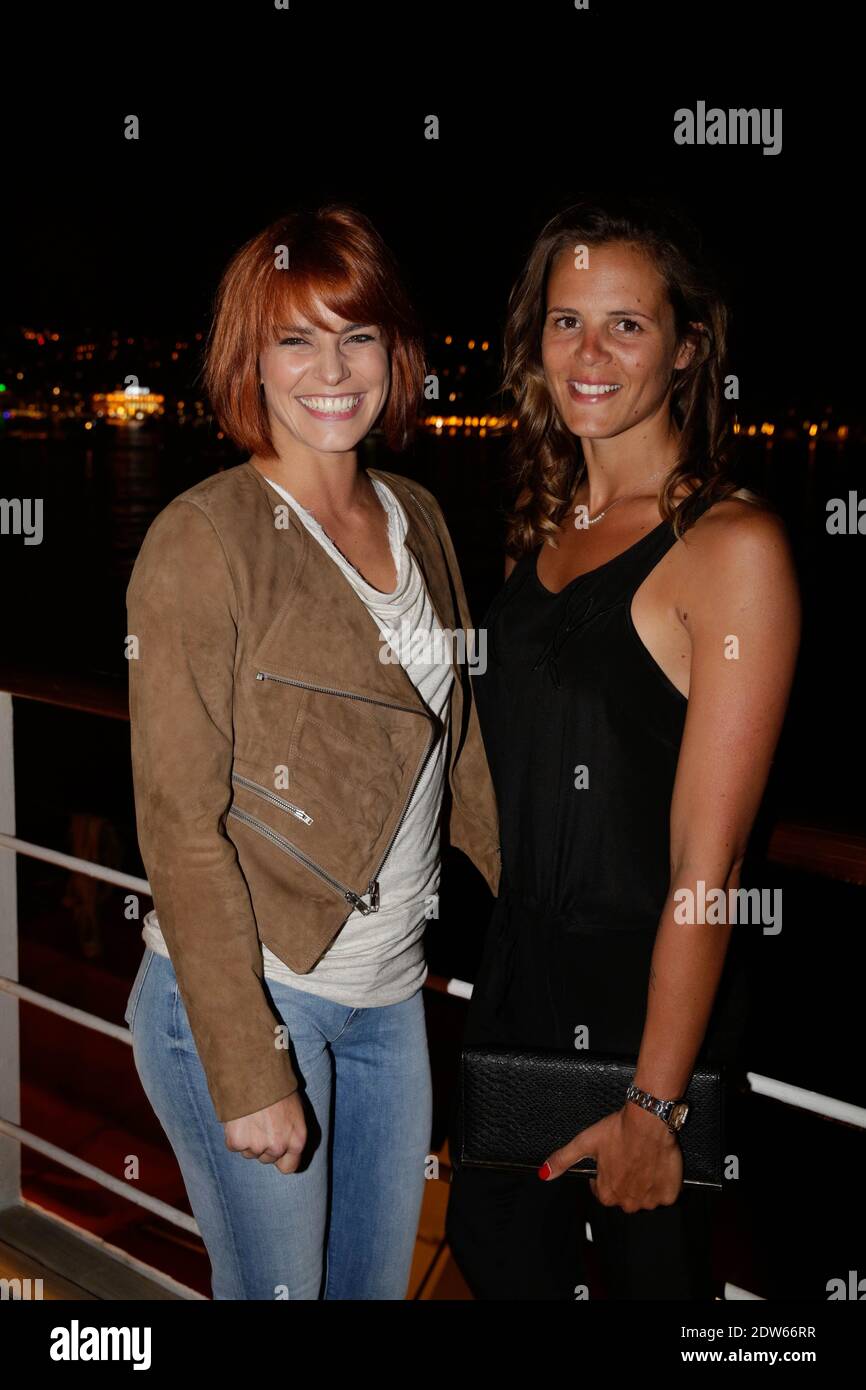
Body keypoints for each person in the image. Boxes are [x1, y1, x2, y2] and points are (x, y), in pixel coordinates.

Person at [123, 205, 501, 1299]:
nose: (331, 368)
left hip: (391, 1003)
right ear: (251, 359)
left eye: (358, 334)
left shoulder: (417, 513)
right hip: (248, 1001)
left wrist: (554, 908)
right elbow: (180, 824)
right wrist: (248, 1068)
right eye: (296, 338)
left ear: (396, 352)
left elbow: (457, 748)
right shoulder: (202, 539)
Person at [445, 194, 801, 1300]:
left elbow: (710, 865)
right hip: (514, 989)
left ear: (688, 346)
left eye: (625, 325)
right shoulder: (545, 524)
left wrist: (654, 1104)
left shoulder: (728, 545)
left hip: (646, 1017)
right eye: (564, 321)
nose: (586, 353)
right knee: (501, 1269)